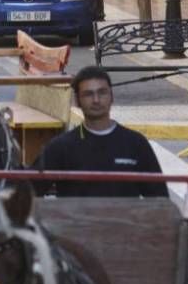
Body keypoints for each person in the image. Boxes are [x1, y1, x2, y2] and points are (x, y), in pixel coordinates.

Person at [34, 66, 169, 198]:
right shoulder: (61, 147)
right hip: (78, 221)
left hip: (124, 220)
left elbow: (160, 199)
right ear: (77, 101)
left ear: (112, 96)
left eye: (102, 92)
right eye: (88, 94)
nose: (96, 100)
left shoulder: (136, 143)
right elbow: (28, 191)